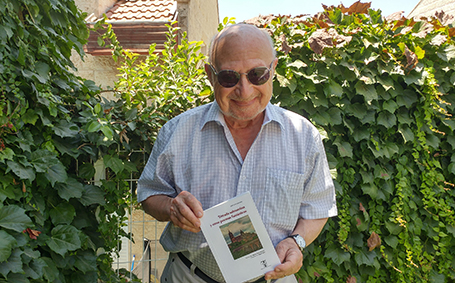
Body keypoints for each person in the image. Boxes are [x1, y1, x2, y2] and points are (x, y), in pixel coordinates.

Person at [137, 23, 337, 283]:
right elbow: (149, 194)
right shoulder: (177, 132)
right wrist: (171, 207)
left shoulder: (303, 136)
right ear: (211, 75)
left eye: (257, 75)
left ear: (273, 69)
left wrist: (296, 241)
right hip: (190, 276)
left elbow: (317, 207)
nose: (245, 90)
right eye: (230, 77)